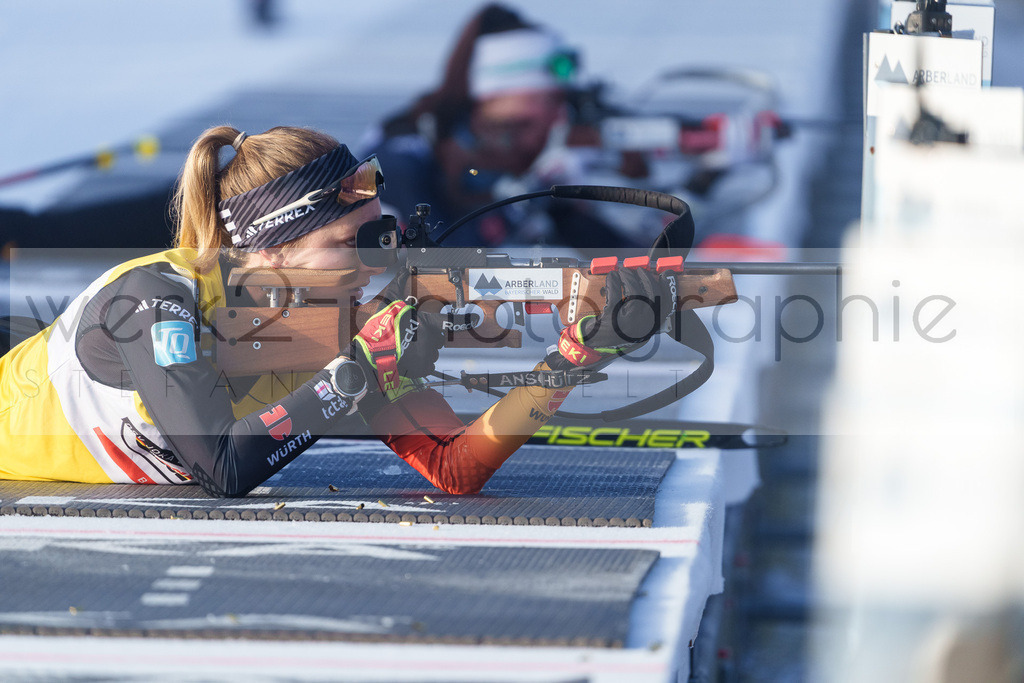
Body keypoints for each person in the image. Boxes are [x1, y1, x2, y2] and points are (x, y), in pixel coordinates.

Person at [0, 125, 673, 497]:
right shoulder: (152, 300)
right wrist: (353, 376)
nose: (374, 264)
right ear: (266, 252)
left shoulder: (334, 328)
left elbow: (456, 466)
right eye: (345, 244)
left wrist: (573, 359)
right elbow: (225, 468)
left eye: (377, 239)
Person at [360, 3, 639, 248]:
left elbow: (609, 245)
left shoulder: (505, 153)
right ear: (499, 94)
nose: (559, 114)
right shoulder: (400, 154)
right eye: (546, 99)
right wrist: (535, 188)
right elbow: (443, 255)